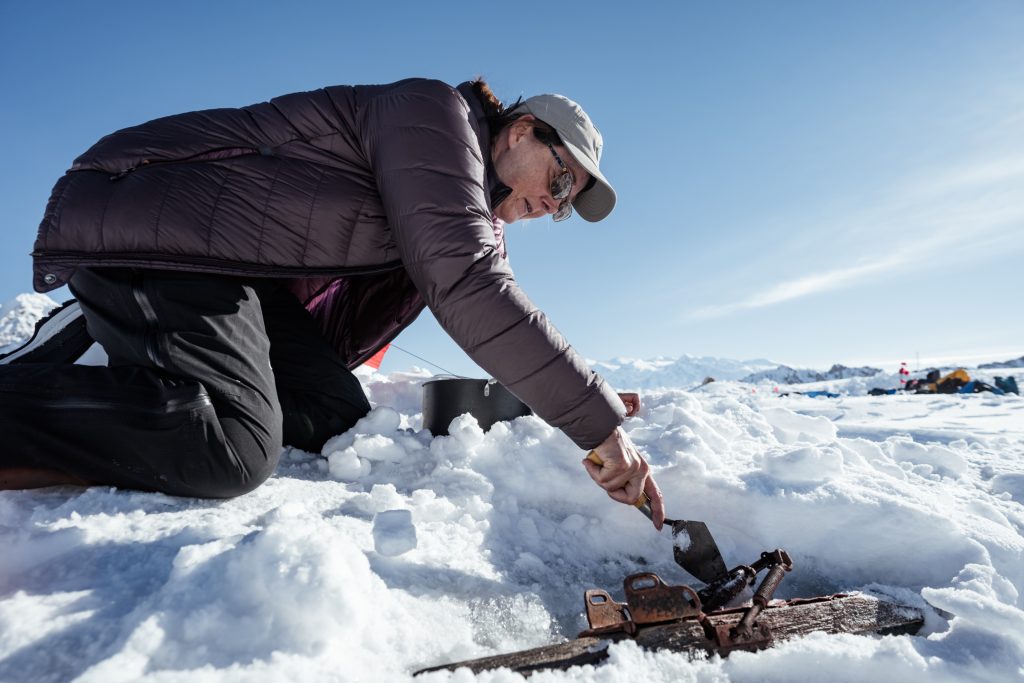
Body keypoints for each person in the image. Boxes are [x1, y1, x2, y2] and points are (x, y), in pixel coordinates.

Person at [0, 77, 666, 528]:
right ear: (521, 130)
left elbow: (495, 298)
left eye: (565, 206)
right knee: (235, 447)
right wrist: (595, 422)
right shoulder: (433, 118)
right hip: (154, 223)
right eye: (559, 179)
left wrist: (584, 393)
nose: (554, 203)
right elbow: (469, 285)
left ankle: (136, 355)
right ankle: (74, 360)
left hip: (239, 277)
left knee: (336, 413)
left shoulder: (471, 207)